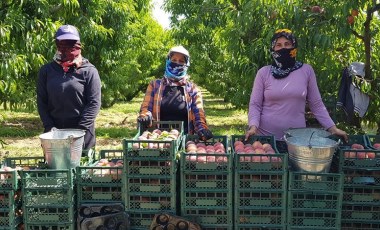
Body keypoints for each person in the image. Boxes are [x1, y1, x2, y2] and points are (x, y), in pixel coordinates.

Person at [245, 29, 348, 152]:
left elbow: (316, 104)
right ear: (273, 49)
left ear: (294, 47)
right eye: (278, 45)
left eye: (287, 44)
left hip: (297, 140)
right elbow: (255, 104)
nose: (283, 48)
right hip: (266, 140)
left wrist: (332, 128)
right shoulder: (264, 73)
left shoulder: (306, 71)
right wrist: (253, 126)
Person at [37, 24, 101, 152]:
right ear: (57, 44)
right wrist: (50, 127)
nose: (66, 48)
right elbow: (42, 102)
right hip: (54, 136)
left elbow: (94, 103)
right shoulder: (46, 71)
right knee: (56, 169)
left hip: (82, 135)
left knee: (81, 169)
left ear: (78, 44)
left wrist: (79, 131)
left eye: (71, 43)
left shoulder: (88, 71)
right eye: (62, 43)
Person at [137, 45, 213, 141]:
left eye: (181, 61)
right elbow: (146, 108)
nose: (177, 63)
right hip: (158, 140)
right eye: (174, 60)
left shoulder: (192, 89)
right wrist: (145, 116)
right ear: (168, 61)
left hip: (184, 141)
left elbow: (198, 114)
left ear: (187, 64)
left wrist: (202, 129)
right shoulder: (155, 85)